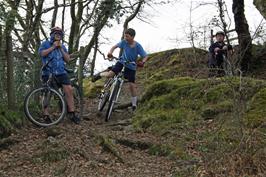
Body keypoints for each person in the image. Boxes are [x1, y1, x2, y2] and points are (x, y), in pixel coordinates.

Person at [92, 28, 148, 111]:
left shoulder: (138, 46)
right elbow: (114, 47)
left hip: (131, 66)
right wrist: (110, 53)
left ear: (132, 37)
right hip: (121, 62)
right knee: (110, 74)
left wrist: (143, 62)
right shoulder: (124, 42)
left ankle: (134, 104)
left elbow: (145, 56)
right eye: (125, 36)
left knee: (131, 85)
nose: (125, 38)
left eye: (127, 36)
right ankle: (99, 75)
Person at [38, 26, 80, 124]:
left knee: (69, 89)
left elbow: (68, 59)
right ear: (52, 35)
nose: (57, 35)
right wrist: (53, 47)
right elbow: (42, 54)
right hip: (48, 72)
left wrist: (60, 48)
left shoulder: (63, 46)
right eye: (56, 33)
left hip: (61, 72)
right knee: (47, 93)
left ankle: (72, 113)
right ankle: (46, 115)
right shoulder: (45, 44)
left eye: (59, 34)